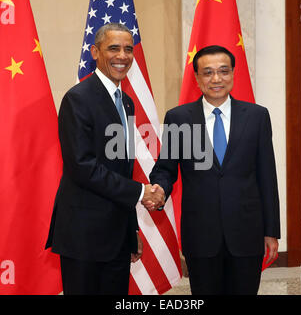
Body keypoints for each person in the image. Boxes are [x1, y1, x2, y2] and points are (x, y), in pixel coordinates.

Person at [149, 45, 280, 295]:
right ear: (197, 78)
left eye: (223, 71)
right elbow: (165, 168)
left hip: (246, 233)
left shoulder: (257, 116)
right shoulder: (179, 118)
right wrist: (158, 188)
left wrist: (271, 231)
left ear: (233, 74)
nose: (216, 79)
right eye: (208, 73)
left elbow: (267, 177)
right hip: (201, 235)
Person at [45, 23, 164, 295]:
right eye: (113, 48)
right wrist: (141, 191)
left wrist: (131, 229)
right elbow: (82, 167)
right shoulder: (78, 99)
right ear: (95, 52)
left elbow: (122, 169)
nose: (122, 56)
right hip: (84, 235)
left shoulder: (127, 102)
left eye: (128, 49)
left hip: (118, 236)